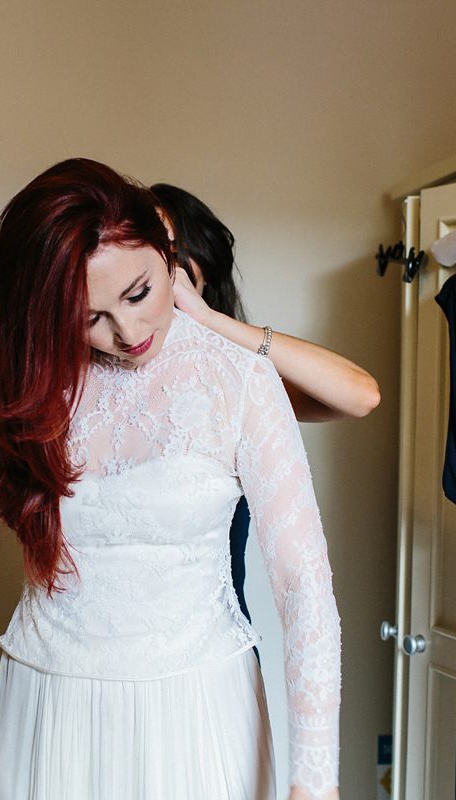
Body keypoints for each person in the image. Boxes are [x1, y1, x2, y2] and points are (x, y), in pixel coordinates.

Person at [0, 158, 341, 800]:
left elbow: (304, 587)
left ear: (168, 253)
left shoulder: (240, 381)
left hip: (198, 711)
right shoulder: (25, 385)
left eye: (137, 293)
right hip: (50, 711)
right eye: (89, 317)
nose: (128, 332)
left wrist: (314, 782)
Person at [152, 183, 379, 623]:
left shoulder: (240, 382)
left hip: (217, 648)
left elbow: (360, 394)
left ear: (204, 267)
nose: (158, 270)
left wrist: (209, 320)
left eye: (173, 254)